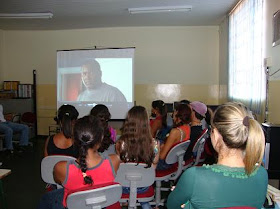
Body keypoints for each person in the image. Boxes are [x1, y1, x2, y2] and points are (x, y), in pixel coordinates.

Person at [167, 102, 268, 209]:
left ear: (215, 135)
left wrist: (188, 205)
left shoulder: (193, 177)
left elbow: (171, 206)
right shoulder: (261, 174)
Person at [37, 115, 120, 209]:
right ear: (101, 138)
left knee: (45, 199)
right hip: (103, 202)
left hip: (74, 204)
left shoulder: (61, 167)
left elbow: (57, 181)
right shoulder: (114, 161)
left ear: (75, 139)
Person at [116, 106, 160, 209]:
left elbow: (119, 167)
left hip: (124, 186)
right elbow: (154, 166)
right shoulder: (154, 144)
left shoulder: (120, 144)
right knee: (143, 198)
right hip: (144, 186)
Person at [157, 103, 191, 170]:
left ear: (177, 113)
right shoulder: (188, 127)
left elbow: (161, 157)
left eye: (174, 111)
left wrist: (156, 149)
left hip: (164, 164)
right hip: (174, 161)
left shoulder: (175, 132)